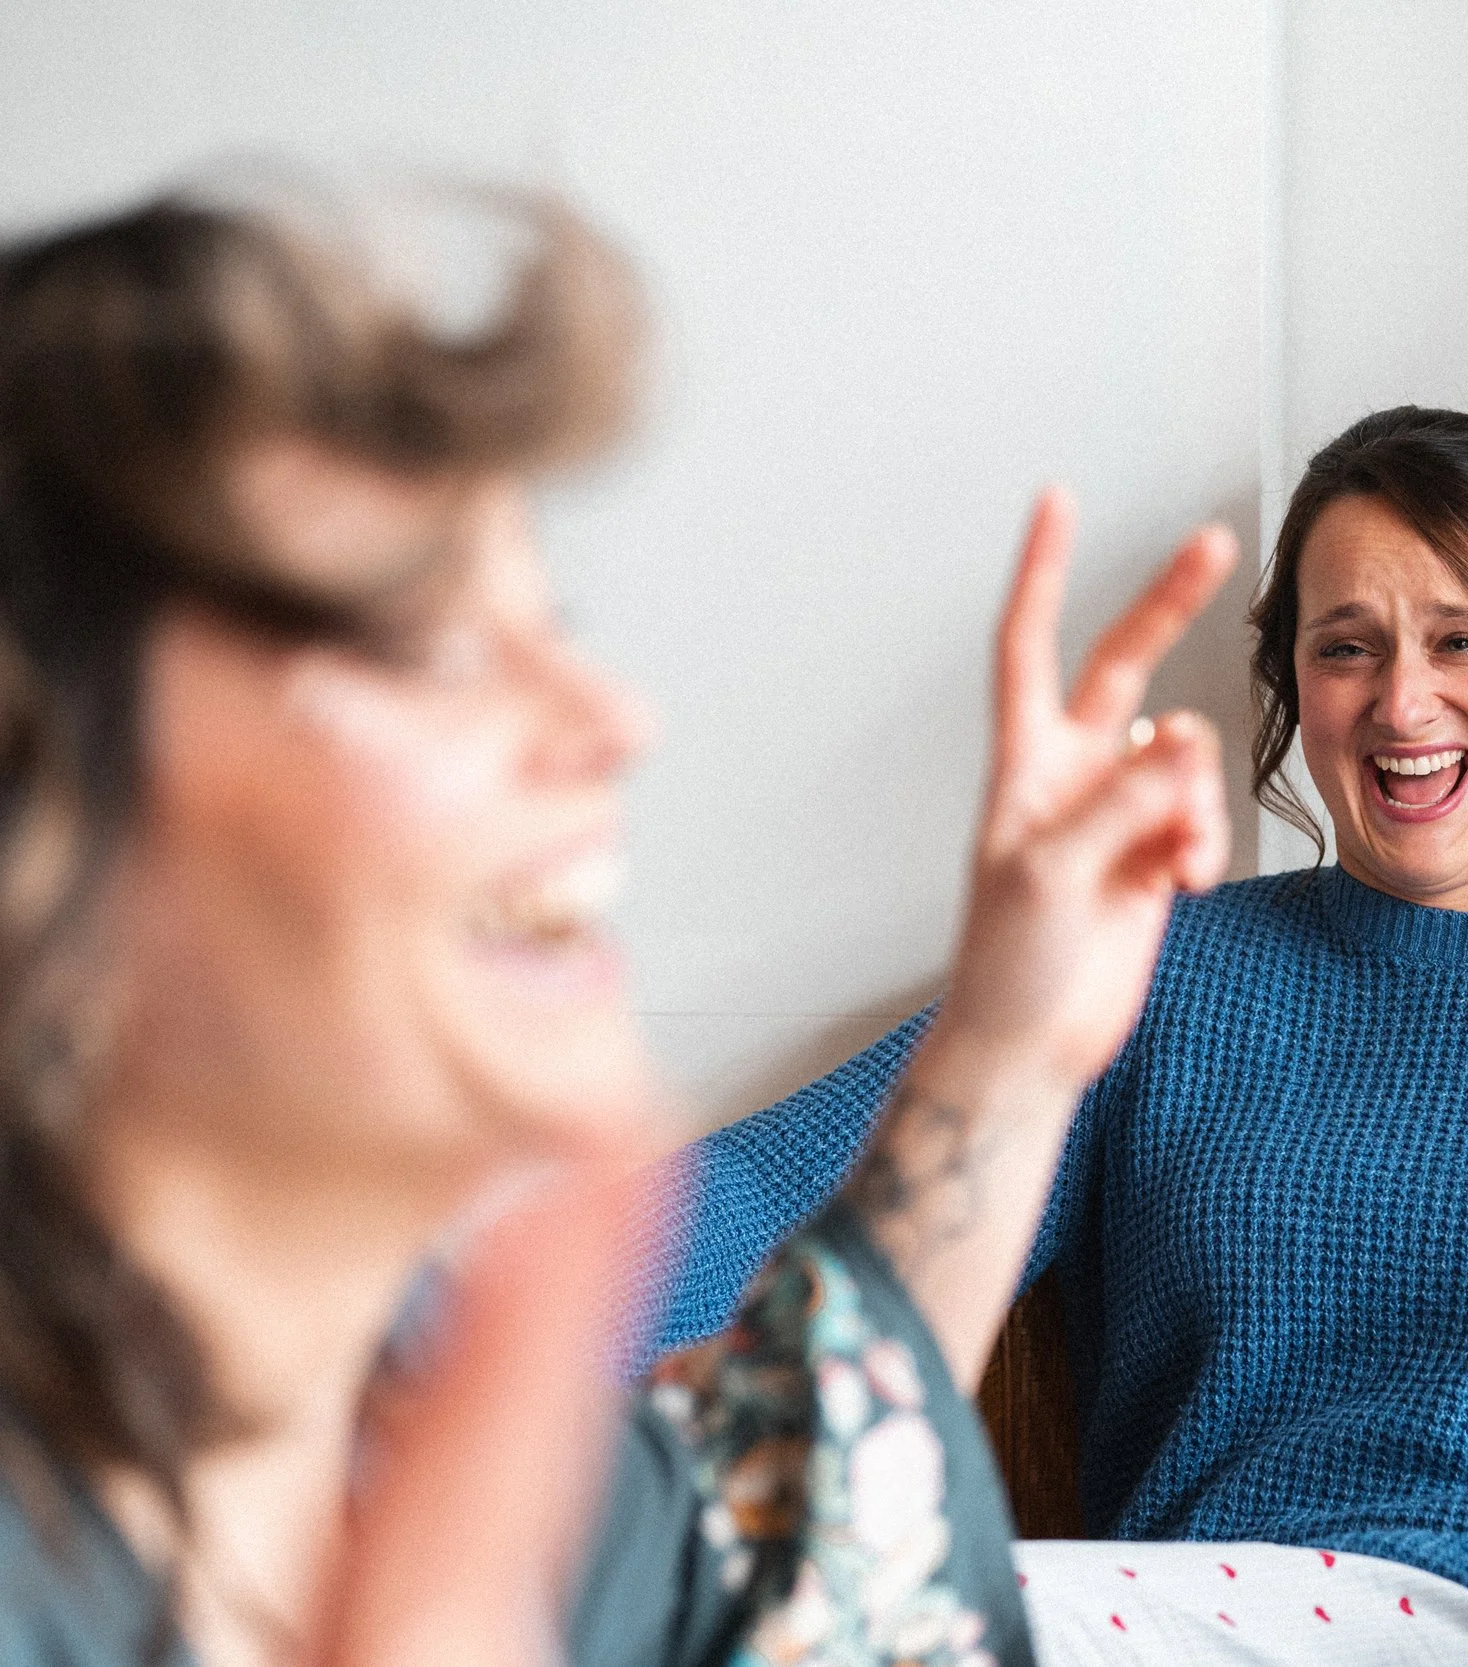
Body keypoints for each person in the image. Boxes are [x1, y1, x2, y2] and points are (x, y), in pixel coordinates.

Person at [0, 186, 1238, 1667]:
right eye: (435, 647)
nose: (610, 717)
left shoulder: (487, 1471)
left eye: (556, 625)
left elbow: (803, 1518)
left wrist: (1018, 1041)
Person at [653, 406, 1468, 1667]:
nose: (1403, 705)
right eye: (1348, 646)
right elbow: (798, 1185)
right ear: (1291, 678)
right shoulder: (1173, 960)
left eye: (1463, 641)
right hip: (1179, 1613)